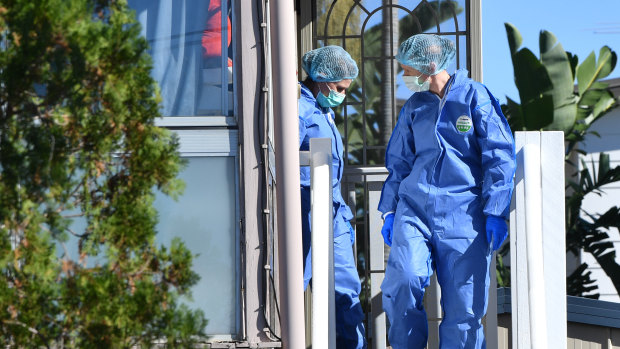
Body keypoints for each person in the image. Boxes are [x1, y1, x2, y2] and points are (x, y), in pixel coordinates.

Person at [378, 34, 516, 349]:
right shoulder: (415, 105)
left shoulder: (474, 96)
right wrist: (389, 210)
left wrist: (495, 211)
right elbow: (399, 161)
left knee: (465, 306)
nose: (404, 77)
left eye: (407, 71)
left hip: (465, 215)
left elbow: (499, 154)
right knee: (405, 281)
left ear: (428, 66)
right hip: (415, 210)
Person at [299, 45, 367, 349]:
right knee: (295, 281)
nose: (342, 94)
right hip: (303, 209)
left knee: (346, 291)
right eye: (339, 88)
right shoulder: (298, 108)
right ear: (322, 78)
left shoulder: (324, 110)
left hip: (332, 212)